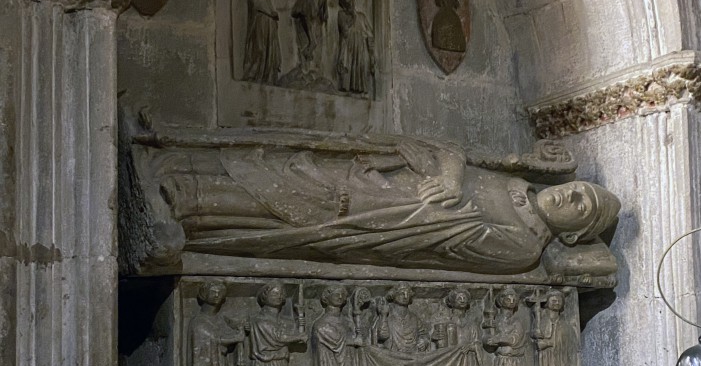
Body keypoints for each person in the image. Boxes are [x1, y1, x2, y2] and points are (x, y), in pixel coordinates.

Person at [154, 136, 621, 275]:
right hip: (383, 177)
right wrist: (450, 173)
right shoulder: (516, 182)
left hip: (380, 213)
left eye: (581, 206)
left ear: (573, 234)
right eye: (580, 188)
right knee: (286, 165)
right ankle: (173, 167)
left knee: (284, 205)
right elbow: (451, 154)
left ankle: (187, 207)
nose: (571, 193)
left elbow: (444, 237)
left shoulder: (524, 246)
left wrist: (446, 186)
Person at [243, 0, 281, 84]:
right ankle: (254, 74)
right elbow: (256, 4)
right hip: (259, 24)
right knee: (259, 48)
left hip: (269, 26)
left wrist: (274, 14)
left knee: (269, 49)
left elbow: (271, 8)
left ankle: (267, 75)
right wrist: (270, 14)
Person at [336, 0, 374, 94]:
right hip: (348, 49)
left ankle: (359, 88)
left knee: (359, 68)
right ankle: (346, 87)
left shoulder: (361, 17)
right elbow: (345, 32)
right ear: (343, 5)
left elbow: (370, 34)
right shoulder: (341, 15)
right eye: (347, 3)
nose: (351, 5)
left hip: (360, 48)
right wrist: (352, 16)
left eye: (351, 1)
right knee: (347, 68)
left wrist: (372, 57)